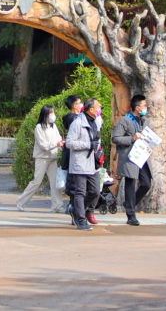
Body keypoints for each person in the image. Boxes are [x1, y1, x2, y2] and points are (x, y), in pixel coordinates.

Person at [112, 94, 154, 226]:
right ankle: (131, 215)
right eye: (144, 106)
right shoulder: (126, 120)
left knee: (146, 183)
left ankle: (129, 203)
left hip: (142, 156)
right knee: (130, 184)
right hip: (130, 157)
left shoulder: (145, 121)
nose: (146, 108)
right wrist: (132, 139)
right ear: (137, 107)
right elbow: (115, 138)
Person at [16, 104, 64, 212]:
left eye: (53, 112)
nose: (53, 115)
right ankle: (21, 201)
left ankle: (57, 206)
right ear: (45, 114)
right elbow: (43, 145)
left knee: (54, 182)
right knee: (36, 181)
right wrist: (56, 144)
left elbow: (58, 138)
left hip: (52, 157)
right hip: (42, 158)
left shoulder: (53, 126)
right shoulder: (39, 127)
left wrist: (61, 144)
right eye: (50, 113)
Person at [64, 98, 103, 231]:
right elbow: (69, 142)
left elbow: (97, 140)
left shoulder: (96, 122)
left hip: (92, 162)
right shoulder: (78, 123)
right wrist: (87, 145)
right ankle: (81, 220)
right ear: (91, 110)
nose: (100, 109)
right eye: (98, 107)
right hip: (80, 162)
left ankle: (77, 210)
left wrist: (97, 149)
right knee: (80, 191)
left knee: (95, 191)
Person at [59, 95, 84, 212]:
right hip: (73, 154)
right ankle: (72, 206)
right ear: (74, 106)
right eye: (80, 103)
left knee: (74, 181)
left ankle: (72, 205)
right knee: (75, 181)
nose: (81, 104)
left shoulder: (73, 117)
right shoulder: (72, 118)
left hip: (71, 153)